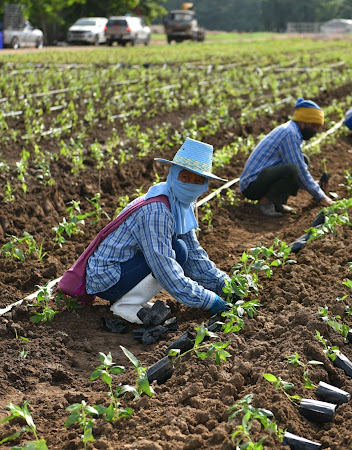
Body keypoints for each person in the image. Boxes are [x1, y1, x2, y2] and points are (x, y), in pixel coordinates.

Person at [83, 138, 231, 323]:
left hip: (126, 268)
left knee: (182, 249)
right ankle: (126, 305)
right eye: (185, 177)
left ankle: (131, 299)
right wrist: (210, 301)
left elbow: (194, 253)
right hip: (108, 278)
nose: (190, 184)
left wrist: (222, 284)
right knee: (177, 251)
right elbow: (164, 266)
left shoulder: (181, 203)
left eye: (198, 180)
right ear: (174, 173)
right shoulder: (158, 210)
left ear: (205, 184)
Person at [239, 97, 332, 217]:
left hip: (262, 178)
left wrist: (316, 184)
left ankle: (277, 202)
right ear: (303, 122)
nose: (315, 131)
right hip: (251, 186)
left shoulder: (292, 131)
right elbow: (299, 171)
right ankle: (265, 203)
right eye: (313, 126)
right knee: (293, 169)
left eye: (317, 128)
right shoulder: (289, 133)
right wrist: (322, 197)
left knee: (303, 160)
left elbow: (299, 166)